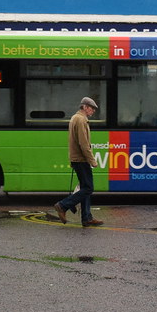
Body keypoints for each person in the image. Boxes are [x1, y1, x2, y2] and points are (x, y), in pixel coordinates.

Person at [53, 96, 104, 227]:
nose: (93, 111)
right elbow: (83, 143)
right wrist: (92, 160)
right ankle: (63, 205)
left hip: (77, 158)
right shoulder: (81, 120)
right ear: (85, 107)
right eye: (91, 108)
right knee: (88, 188)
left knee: (84, 187)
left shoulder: (75, 118)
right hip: (81, 159)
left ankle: (86, 217)